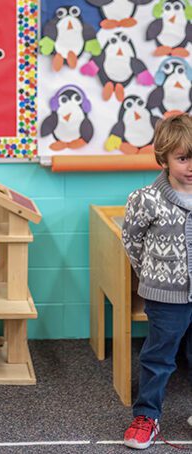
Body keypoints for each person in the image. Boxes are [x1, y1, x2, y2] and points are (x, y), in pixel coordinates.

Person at [122, 113, 192, 450]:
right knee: (159, 357)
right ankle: (146, 416)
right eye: (182, 158)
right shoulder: (145, 199)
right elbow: (132, 242)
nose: (190, 166)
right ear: (163, 158)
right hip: (166, 296)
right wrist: (153, 275)